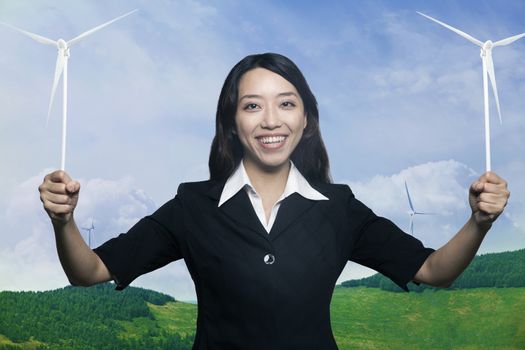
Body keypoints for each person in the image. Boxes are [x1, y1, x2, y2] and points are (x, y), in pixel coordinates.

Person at [38, 53, 510, 349]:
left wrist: (479, 222)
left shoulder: (339, 208)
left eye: (286, 103)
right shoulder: (192, 206)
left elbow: (434, 272)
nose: (270, 120)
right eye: (252, 105)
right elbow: (89, 272)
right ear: (231, 122)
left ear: (306, 119)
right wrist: (64, 221)